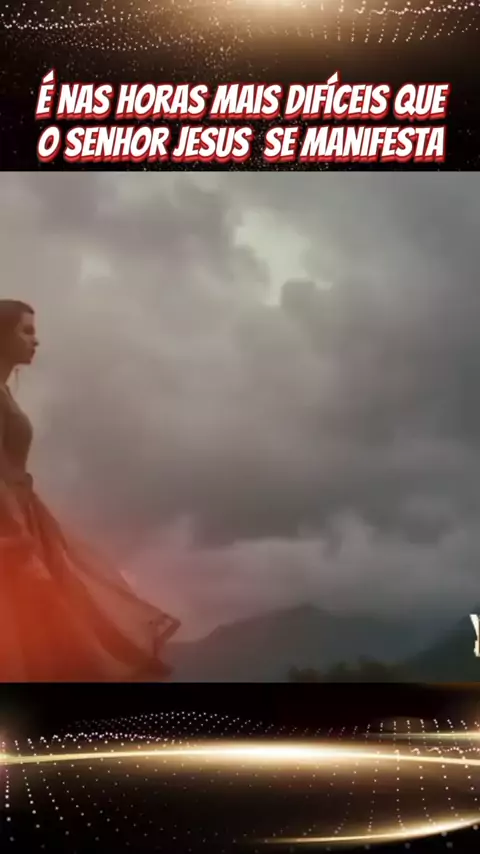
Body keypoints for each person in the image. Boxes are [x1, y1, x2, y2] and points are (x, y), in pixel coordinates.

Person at [0, 299, 180, 681]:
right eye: (26, 331)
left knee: (57, 624)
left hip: (26, 516)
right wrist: (18, 541)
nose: (36, 340)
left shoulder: (4, 393)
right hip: (11, 524)